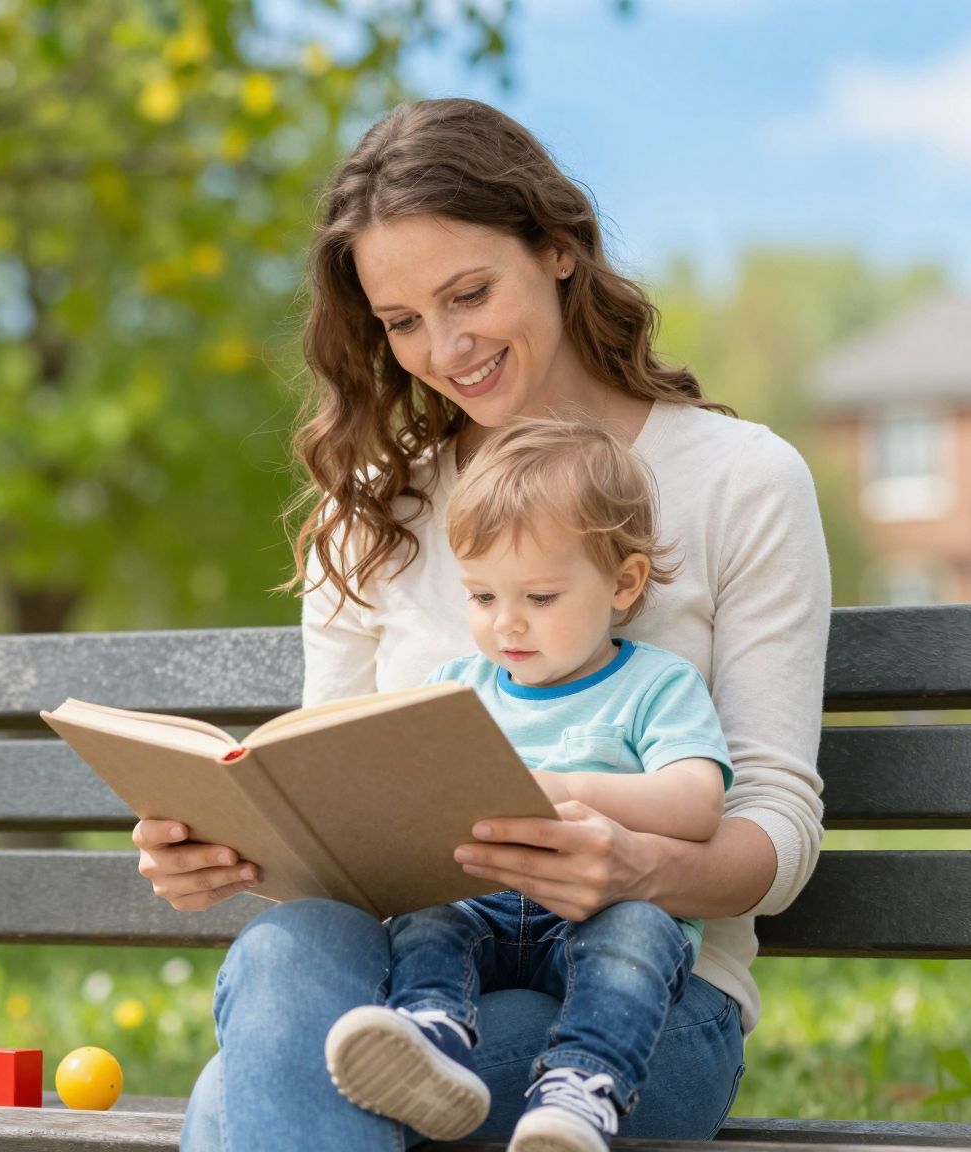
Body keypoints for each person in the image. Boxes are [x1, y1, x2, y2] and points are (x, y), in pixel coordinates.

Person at [137, 96, 831, 1151]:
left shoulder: (739, 481)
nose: (444, 349)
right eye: (401, 323)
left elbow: (775, 826)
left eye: (469, 294)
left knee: (252, 1090)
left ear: (557, 249)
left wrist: (639, 868)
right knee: (288, 952)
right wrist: (232, 848)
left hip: (632, 1012)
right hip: (419, 975)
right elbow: (335, 805)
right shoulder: (372, 506)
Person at [322, 416, 732, 1152]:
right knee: (426, 911)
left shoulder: (654, 685)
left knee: (642, 931)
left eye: (539, 599)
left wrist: (567, 788)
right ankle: (430, 1038)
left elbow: (698, 803)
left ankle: (580, 1092)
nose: (506, 624)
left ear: (623, 582)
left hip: (590, 913)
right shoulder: (456, 687)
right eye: (481, 598)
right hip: (478, 907)